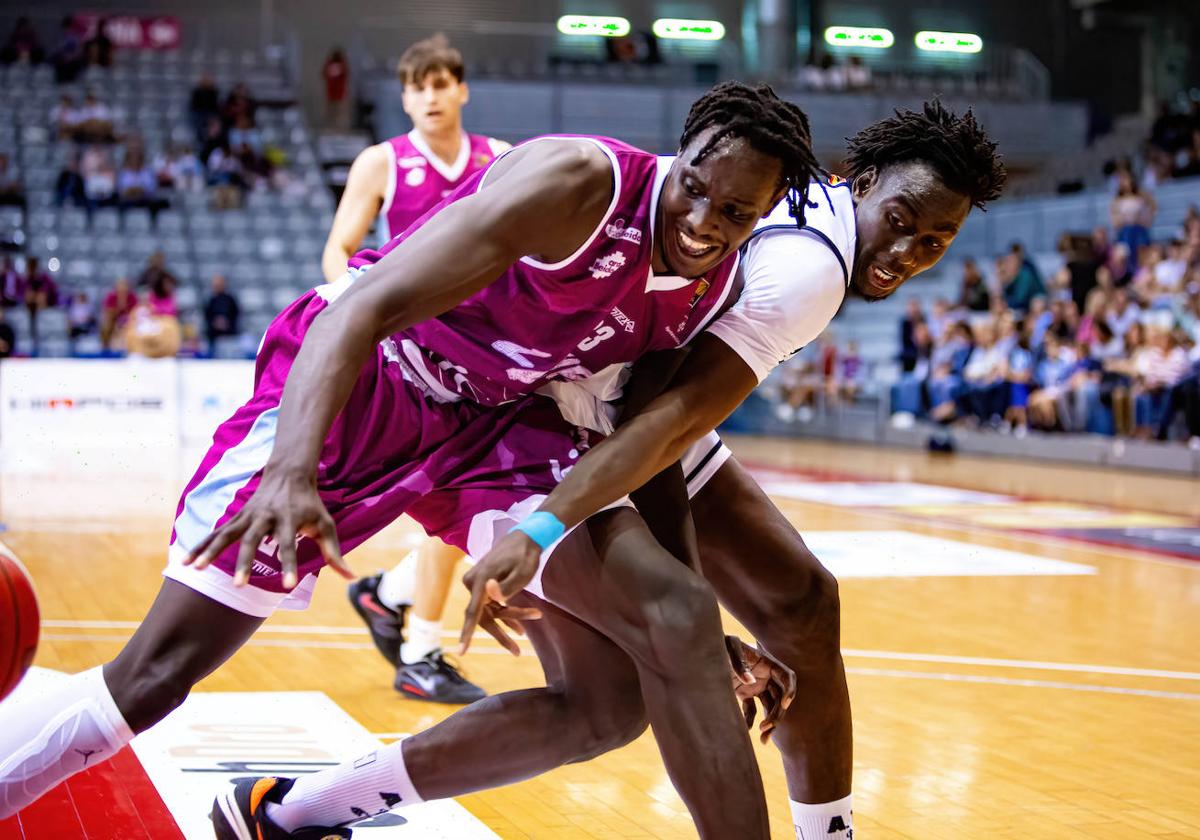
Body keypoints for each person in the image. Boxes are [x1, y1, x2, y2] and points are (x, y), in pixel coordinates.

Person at [0, 83, 820, 840]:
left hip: (493, 422)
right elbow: (362, 305)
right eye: (697, 190)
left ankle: (286, 813)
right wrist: (290, 469)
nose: (706, 221)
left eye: (736, 213)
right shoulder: (579, 184)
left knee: (614, 694)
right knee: (157, 674)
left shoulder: (720, 288)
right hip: (375, 375)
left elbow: (651, 445)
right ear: (681, 158)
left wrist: (705, 625)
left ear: (766, 216)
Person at [204, 102, 1003, 840]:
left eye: (934, 243)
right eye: (901, 222)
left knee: (618, 699)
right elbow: (659, 421)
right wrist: (679, 601)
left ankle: (289, 811)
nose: (906, 253)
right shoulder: (811, 272)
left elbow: (666, 414)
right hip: (540, 410)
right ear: (860, 184)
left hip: (582, 398)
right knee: (711, 621)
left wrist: (686, 602)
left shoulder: (809, 208)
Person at [324, 35, 510, 703]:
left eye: (441, 84)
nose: (430, 96)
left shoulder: (501, 161)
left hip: (490, 356)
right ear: (404, 97)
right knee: (461, 504)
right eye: (417, 86)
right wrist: (373, 314)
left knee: (470, 505)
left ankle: (389, 596)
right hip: (414, 358)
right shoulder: (382, 163)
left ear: (461, 90)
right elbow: (339, 251)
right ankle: (420, 648)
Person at [204, 274, 240, 348]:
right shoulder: (211, 300)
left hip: (229, 337)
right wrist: (215, 323)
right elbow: (207, 316)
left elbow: (236, 315)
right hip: (213, 337)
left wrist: (226, 323)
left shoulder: (230, 300)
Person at [322, 48, 350, 130]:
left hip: (340, 94)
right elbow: (324, 73)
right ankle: (331, 127)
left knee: (340, 112)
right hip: (331, 94)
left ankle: (340, 127)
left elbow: (346, 74)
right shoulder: (330, 65)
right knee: (331, 112)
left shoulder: (342, 65)